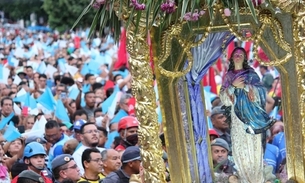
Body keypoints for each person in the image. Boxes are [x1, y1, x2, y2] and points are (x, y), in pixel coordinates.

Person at [219, 47, 276, 183]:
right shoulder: (228, 77)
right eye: (236, 54)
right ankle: (243, 178)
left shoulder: (251, 74)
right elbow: (223, 98)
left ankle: (256, 179)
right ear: (232, 58)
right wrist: (232, 86)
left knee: (253, 148)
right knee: (240, 148)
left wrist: (246, 87)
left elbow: (261, 93)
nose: (238, 56)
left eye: (241, 54)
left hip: (252, 119)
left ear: (245, 58)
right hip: (237, 119)